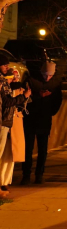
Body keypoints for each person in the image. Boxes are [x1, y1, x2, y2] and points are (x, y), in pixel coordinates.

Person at [22, 61, 63, 185]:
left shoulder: (55, 84)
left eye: (50, 75)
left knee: (43, 149)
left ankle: (39, 174)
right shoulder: (31, 81)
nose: (47, 77)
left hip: (44, 118)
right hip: (31, 118)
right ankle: (26, 175)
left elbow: (58, 101)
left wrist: (50, 112)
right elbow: (26, 98)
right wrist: (39, 97)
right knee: (28, 149)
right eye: (45, 74)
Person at [0, 55, 30, 190]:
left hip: (6, 121)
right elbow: (6, 102)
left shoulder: (4, 82)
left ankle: (4, 182)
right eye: (4, 65)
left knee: (6, 153)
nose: (7, 67)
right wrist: (23, 96)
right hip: (3, 121)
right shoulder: (1, 82)